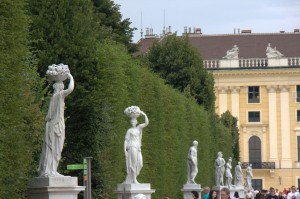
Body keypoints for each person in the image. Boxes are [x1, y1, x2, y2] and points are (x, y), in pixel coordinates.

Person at [38, 72, 74, 177]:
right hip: (56, 126)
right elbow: (70, 89)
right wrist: (71, 77)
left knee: (54, 149)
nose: (63, 88)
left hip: (52, 125)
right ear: (60, 88)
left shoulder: (54, 97)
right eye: (62, 87)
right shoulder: (59, 95)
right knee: (55, 148)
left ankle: (50, 169)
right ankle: (51, 170)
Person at [123, 108, 149, 184]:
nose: (132, 122)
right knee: (133, 163)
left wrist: (144, 115)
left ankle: (133, 178)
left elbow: (146, 123)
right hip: (132, 147)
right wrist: (124, 150)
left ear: (136, 122)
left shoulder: (139, 128)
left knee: (140, 163)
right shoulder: (129, 130)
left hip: (138, 148)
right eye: (131, 121)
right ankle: (134, 179)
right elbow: (126, 140)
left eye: (134, 121)